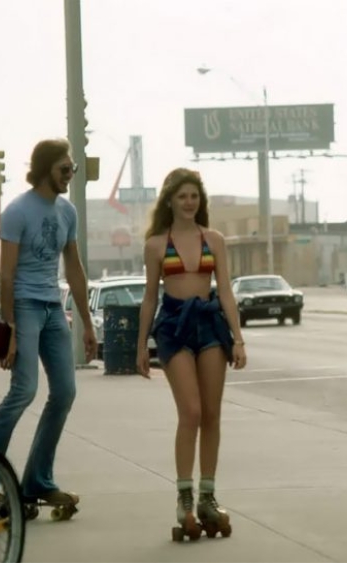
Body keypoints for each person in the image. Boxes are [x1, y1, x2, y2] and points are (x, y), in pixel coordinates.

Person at [0, 138, 97, 514]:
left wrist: (87, 323)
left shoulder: (67, 212)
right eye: (65, 169)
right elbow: (7, 274)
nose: (70, 175)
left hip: (52, 308)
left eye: (73, 169)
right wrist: (10, 326)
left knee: (64, 392)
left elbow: (74, 269)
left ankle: (37, 482)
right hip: (26, 307)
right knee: (24, 390)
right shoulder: (17, 211)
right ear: (45, 168)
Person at [136, 168, 246, 541]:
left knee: (212, 414)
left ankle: (207, 497)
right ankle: (184, 498)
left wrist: (238, 337)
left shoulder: (212, 239)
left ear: (201, 201)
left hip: (210, 325)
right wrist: (140, 345)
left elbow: (226, 290)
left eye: (194, 196)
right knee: (192, 412)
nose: (188, 202)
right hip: (172, 327)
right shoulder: (155, 244)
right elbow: (150, 296)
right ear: (170, 200)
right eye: (182, 196)